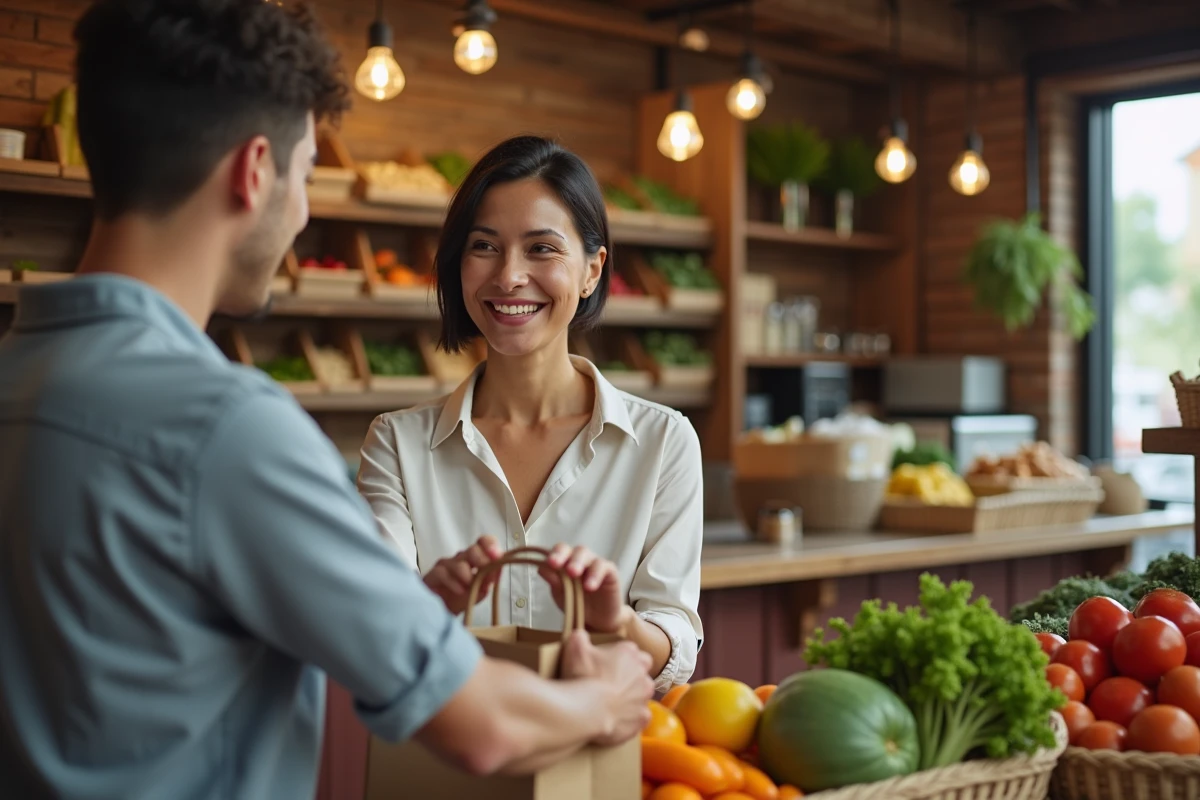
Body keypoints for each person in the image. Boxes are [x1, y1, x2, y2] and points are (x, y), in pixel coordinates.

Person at [0, 2, 654, 798]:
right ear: (253, 173)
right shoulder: (226, 429)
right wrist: (604, 697)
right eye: (305, 172)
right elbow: (485, 727)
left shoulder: (19, 373)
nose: (304, 210)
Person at [356, 135, 705, 692]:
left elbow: (673, 637)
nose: (509, 276)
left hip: (603, 758)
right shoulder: (396, 444)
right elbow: (371, 621)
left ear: (593, 271)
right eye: (484, 246)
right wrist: (426, 601)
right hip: (445, 762)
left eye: (541, 248)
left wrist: (617, 623)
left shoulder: (664, 442)